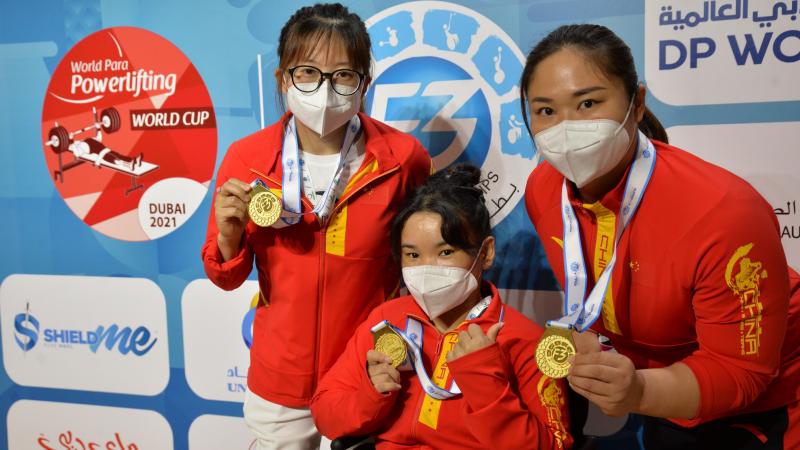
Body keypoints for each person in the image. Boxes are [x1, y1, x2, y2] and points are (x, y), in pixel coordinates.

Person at [521, 24, 800, 449]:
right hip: (660, 393)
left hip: (765, 404)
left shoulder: (723, 212)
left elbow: (742, 371)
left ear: (637, 104)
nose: (566, 128)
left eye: (588, 103)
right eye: (546, 111)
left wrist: (640, 392)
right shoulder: (544, 190)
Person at [201, 4, 431, 448]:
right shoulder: (248, 159)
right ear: (283, 78)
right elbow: (226, 276)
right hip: (279, 381)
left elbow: (420, 267)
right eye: (307, 72)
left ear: (365, 82)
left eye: (344, 75)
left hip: (366, 371)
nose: (325, 90)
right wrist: (228, 234)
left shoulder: (404, 159)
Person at [311, 164, 572, 450]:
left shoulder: (525, 341)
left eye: (445, 252)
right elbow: (326, 414)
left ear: (485, 253)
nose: (426, 268)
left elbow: (552, 446)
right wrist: (370, 395)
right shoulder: (387, 319)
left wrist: (486, 384)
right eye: (412, 254)